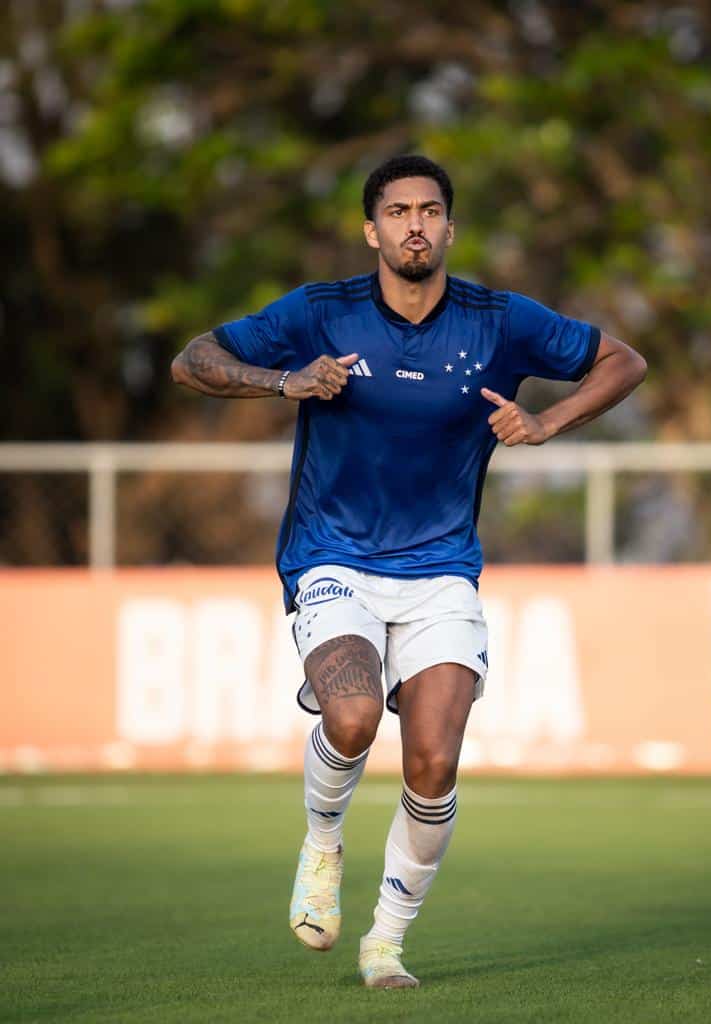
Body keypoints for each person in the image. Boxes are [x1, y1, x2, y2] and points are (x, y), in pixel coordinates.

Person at [171, 154, 647, 988]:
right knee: (352, 719)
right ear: (372, 231)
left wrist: (548, 421)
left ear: (449, 228)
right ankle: (323, 842)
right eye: (397, 212)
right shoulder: (320, 312)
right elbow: (192, 359)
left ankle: (385, 944)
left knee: (433, 764)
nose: (414, 225)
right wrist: (285, 381)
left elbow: (623, 361)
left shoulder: (499, 321)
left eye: (429, 211)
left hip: (441, 571)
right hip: (332, 556)